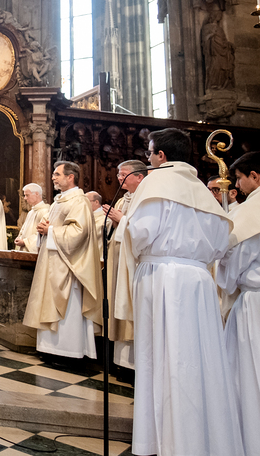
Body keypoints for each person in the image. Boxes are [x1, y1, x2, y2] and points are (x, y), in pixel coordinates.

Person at [114, 128, 244, 456]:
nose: (148, 158)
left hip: (161, 277)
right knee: (198, 358)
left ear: (160, 156)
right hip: (199, 280)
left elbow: (141, 232)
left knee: (160, 357)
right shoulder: (201, 189)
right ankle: (199, 440)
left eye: (149, 152)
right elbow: (222, 242)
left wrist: (125, 227)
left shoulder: (157, 182)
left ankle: (164, 442)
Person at [23, 161, 102, 360]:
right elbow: (53, 227)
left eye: (57, 174)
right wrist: (43, 230)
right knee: (48, 303)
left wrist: (50, 231)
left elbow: (79, 232)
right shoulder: (59, 201)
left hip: (68, 265)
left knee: (68, 308)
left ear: (70, 177)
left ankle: (68, 352)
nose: (53, 177)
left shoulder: (79, 201)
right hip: (51, 261)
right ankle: (49, 350)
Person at [215, 151, 260, 454]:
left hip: (254, 304)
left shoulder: (252, 211)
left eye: (240, 179)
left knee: (248, 374)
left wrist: (225, 277)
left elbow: (235, 262)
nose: (238, 186)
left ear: (254, 176)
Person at [102, 159, 147, 373]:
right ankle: (120, 363)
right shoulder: (121, 200)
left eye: (124, 174)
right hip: (118, 259)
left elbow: (144, 230)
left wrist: (122, 219)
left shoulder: (146, 198)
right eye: (119, 174)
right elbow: (113, 231)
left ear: (139, 177)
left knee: (131, 305)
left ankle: (134, 364)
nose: (120, 178)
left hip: (134, 263)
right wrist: (113, 221)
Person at [14, 183, 49, 252]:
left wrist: (25, 242)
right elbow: (23, 230)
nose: (25, 198)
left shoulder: (45, 211)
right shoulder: (31, 212)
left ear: (36, 194)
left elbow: (42, 233)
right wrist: (19, 239)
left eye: (27, 195)